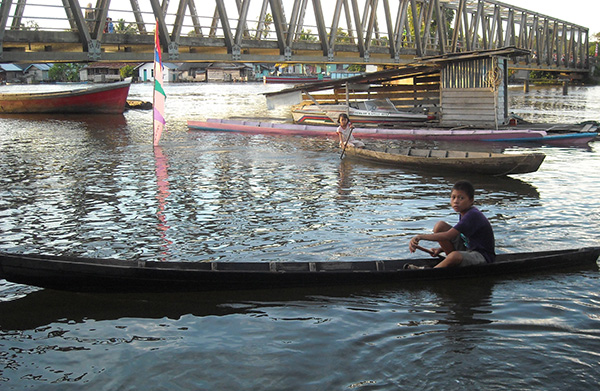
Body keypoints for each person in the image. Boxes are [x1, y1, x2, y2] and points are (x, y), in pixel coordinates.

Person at [408, 180, 495, 268]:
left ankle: (430, 271)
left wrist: (420, 237)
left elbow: (448, 236)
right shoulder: (464, 213)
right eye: (453, 197)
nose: (456, 201)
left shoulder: (472, 215)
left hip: (483, 256)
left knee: (454, 256)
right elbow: (465, 239)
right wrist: (440, 249)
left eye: (461, 198)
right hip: (469, 249)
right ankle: (451, 262)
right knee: (440, 226)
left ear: (471, 200)